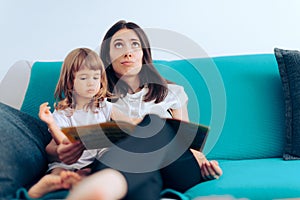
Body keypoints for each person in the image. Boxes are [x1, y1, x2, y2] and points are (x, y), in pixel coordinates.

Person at [44, 20, 223, 200]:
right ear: (107, 57)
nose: (127, 53)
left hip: (174, 169)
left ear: (143, 54)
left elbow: (190, 146)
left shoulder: (172, 93)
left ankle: (105, 184)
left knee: (153, 124)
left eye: (135, 45)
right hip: (129, 170)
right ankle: (104, 187)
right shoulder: (97, 100)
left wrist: (204, 164)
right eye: (119, 45)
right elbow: (60, 141)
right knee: (141, 176)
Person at [27, 47, 139, 199]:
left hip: (92, 163)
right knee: (58, 171)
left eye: (95, 77)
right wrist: (50, 124)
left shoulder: (105, 107)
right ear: (70, 82)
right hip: (65, 163)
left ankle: (76, 181)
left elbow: (130, 124)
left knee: (99, 173)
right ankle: (52, 182)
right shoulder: (63, 112)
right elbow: (62, 144)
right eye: (84, 78)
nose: (91, 83)